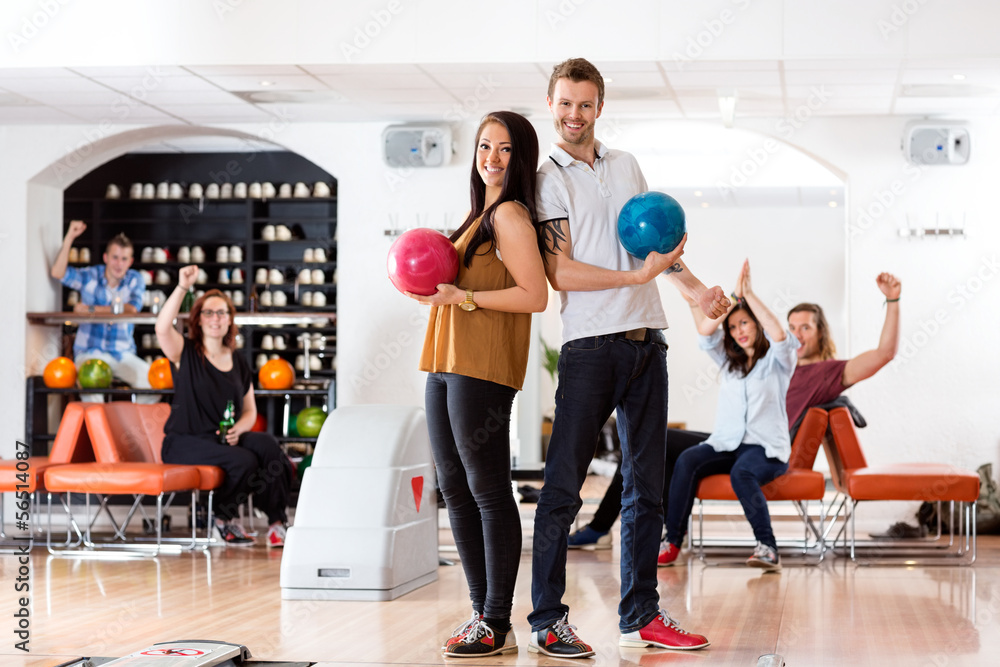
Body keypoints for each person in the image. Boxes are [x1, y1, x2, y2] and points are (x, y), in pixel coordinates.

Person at [528, 57, 728, 658]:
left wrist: (695, 291)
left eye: (584, 104)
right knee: (564, 487)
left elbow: (652, 244)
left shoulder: (626, 165)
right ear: (552, 104)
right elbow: (558, 269)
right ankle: (546, 620)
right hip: (590, 349)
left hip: (649, 343)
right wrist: (633, 275)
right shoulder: (548, 179)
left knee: (647, 487)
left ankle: (641, 614)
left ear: (600, 107)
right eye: (565, 103)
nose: (574, 115)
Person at [568, 272, 903, 552]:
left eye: (806, 328)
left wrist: (892, 301)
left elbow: (884, 353)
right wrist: (680, 277)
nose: (797, 334)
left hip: (763, 447)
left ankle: (657, 532)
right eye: (793, 326)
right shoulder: (754, 361)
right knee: (653, 441)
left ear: (821, 333)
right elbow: (713, 332)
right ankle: (617, 528)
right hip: (731, 439)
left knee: (668, 449)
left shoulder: (825, 372)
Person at [407, 111, 547, 658]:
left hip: (481, 365)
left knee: (487, 489)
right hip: (445, 360)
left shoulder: (510, 215)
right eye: (485, 146)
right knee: (456, 489)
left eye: (505, 149)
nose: (491, 157)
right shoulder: (478, 215)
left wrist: (461, 298)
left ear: (521, 158)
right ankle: (482, 616)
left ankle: (495, 617)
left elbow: (534, 295)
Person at [657, 260, 799, 571]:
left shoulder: (779, 361)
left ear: (756, 324)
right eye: (733, 327)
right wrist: (729, 299)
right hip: (727, 443)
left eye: (744, 323)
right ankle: (672, 541)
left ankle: (768, 547)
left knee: (742, 474)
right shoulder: (728, 361)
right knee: (688, 459)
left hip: (765, 450)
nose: (738, 332)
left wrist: (747, 295)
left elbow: (779, 334)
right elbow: (705, 335)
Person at [155, 267, 292, 547]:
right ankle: (221, 520)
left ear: (230, 319)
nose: (215, 318)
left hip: (221, 438)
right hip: (184, 441)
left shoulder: (238, 361)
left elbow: (250, 410)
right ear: (199, 319)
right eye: (208, 313)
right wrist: (182, 287)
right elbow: (161, 327)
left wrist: (239, 430)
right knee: (244, 461)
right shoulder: (185, 352)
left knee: (269, 447)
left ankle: (277, 523)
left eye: (221, 313)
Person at [50, 220, 156, 402]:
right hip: (90, 351)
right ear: (106, 258)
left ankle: (131, 427)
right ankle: (100, 430)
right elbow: (58, 273)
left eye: (124, 259)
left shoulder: (135, 279)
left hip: (123, 353)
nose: (119, 264)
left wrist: (90, 309)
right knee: (92, 388)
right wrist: (70, 237)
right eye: (115, 257)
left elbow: (131, 309)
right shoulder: (90, 275)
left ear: (130, 261)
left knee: (154, 385)